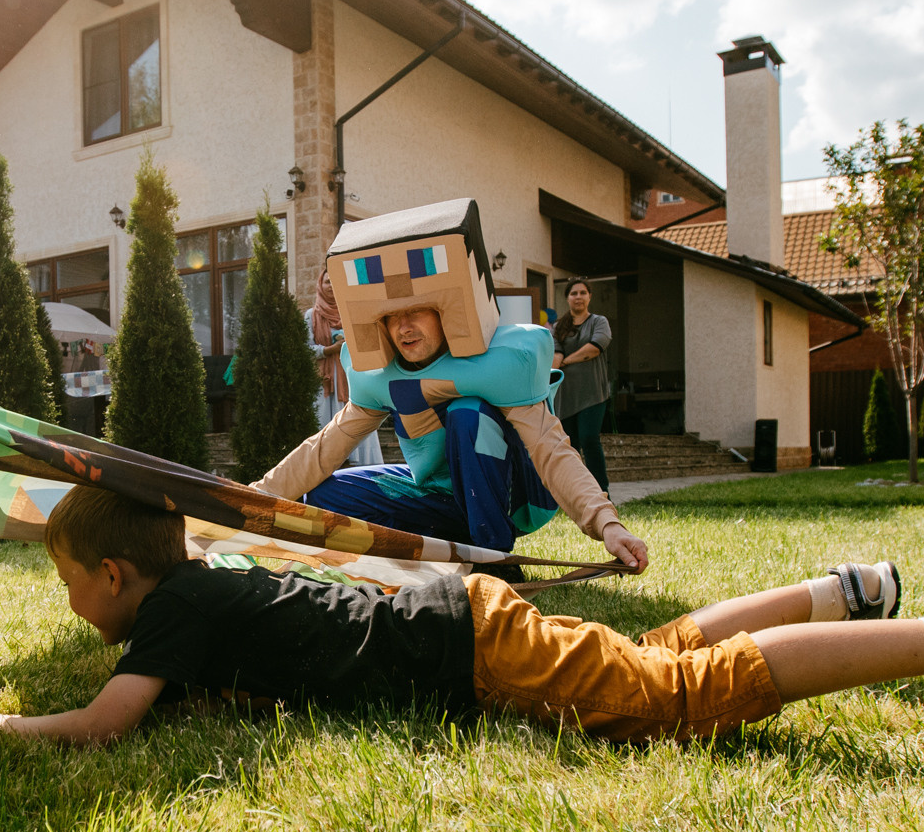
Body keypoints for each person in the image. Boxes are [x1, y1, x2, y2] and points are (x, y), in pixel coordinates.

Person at [0, 484, 924, 781]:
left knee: (680, 701)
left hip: (466, 648)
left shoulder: (176, 610)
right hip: (463, 627)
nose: (68, 606)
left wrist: (4, 723)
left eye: (66, 583)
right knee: (660, 665)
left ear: (115, 576)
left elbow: (106, 727)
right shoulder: (199, 591)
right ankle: (842, 592)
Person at [258, 200, 646, 574]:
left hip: (514, 495)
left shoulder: (496, 366)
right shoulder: (383, 376)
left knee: (466, 412)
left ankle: (492, 560)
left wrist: (605, 522)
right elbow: (323, 450)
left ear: (444, 311)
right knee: (323, 496)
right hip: (441, 494)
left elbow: (551, 448)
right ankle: (446, 544)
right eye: (392, 316)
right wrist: (253, 497)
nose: (404, 327)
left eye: (416, 312)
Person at [308, 268, 386, 469]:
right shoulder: (311, 316)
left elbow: (367, 341)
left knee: (358, 419)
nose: (331, 286)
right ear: (320, 285)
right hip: (326, 381)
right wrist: (328, 350)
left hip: (353, 376)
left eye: (335, 281)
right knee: (326, 424)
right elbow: (304, 348)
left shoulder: (351, 312)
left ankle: (362, 469)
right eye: (327, 282)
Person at [551, 278, 612, 493]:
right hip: (566, 396)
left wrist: (567, 361)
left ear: (589, 296)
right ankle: (574, 493)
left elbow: (594, 348)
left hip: (593, 394)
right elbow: (556, 355)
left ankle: (601, 492)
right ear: (567, 298)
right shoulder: (558, 327)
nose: (578, 297)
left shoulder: (598, 322)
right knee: (570, 447)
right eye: (574, 293)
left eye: (582, 293)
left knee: (589, 439)